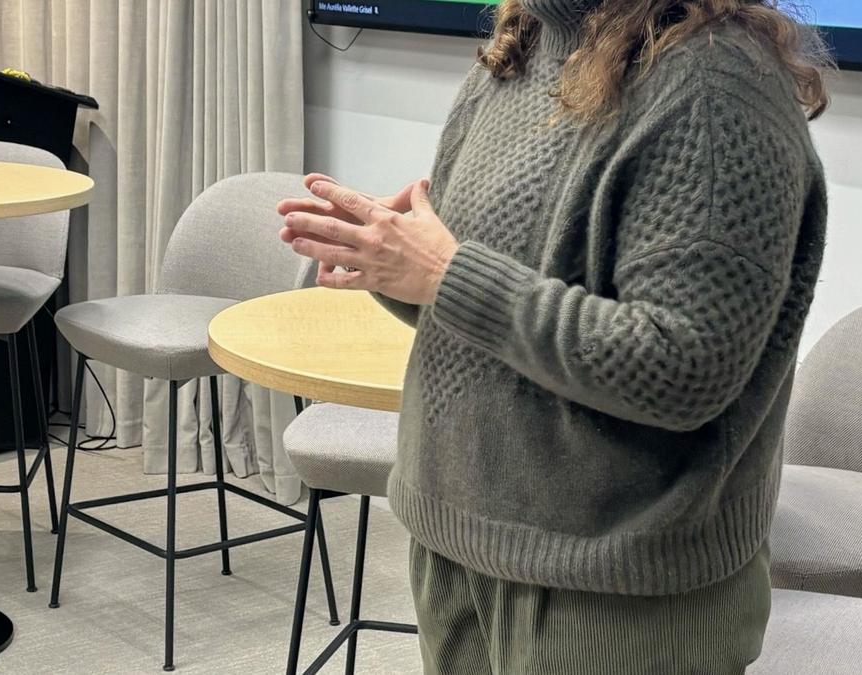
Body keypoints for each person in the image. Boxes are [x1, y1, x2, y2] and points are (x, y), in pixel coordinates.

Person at [278, 0, 830, 671]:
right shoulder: (522, 49)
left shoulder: (716, 85)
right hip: (458, 545)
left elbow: (683, 366)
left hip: (614, 592)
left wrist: (446, 273)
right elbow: (486, 310)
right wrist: (395, 265)